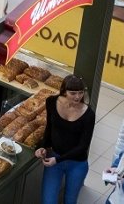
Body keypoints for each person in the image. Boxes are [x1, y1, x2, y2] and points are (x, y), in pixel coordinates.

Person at [35, 74, 95, 204]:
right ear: (64, 91)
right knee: (48, 201)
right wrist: (42, 146)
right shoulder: (51, 101)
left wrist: (57, 160)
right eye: (73, 93)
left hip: (76, 163)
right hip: (55, 158)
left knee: (70, 200)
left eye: (80, 93)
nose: (78, 97)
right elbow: (49, 127)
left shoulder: (88, 114)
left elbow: (83, 146)